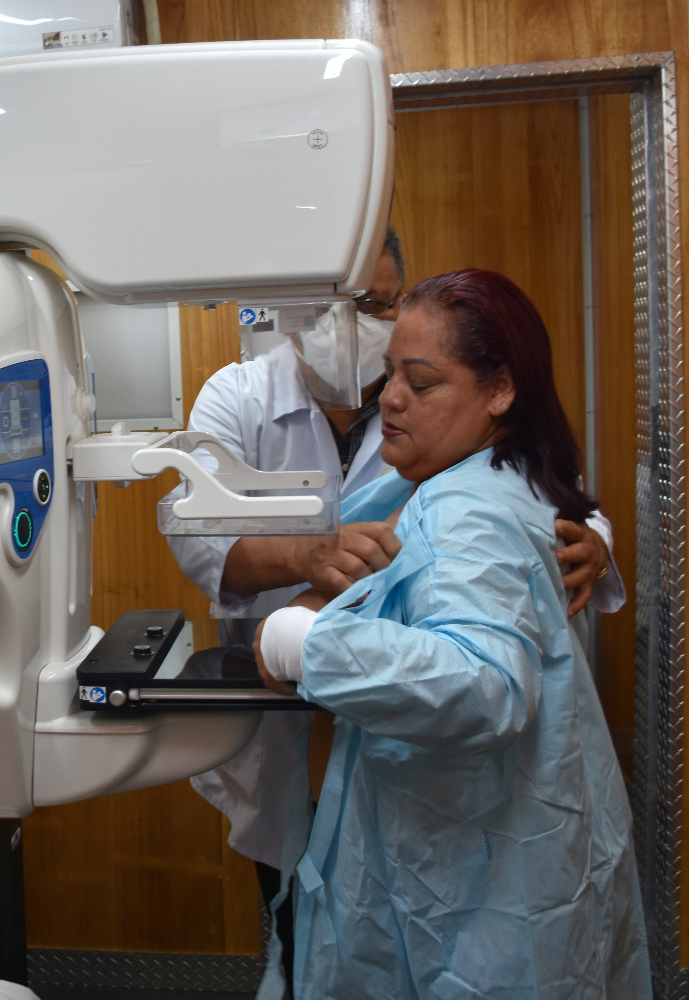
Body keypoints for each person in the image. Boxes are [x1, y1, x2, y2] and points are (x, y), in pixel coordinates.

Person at [165, 233, 624, 992]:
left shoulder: (456, 470)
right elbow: (201, 538)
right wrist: (308, 570)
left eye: (375, 304)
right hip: (330, 747)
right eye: (330, 308)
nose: (354, 328)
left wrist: (595, 538)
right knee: (305, 902)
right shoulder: (244, 398)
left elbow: (491, 655)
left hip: (437, 785)